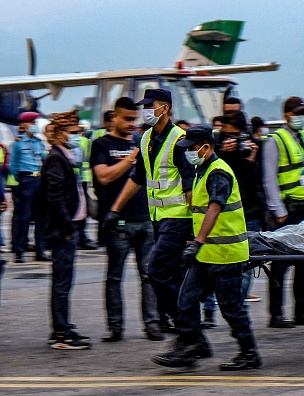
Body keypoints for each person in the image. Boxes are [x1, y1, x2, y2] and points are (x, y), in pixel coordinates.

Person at [153, 125, 262, 370]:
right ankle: (190, 345)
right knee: (186, 300)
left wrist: (197, 241)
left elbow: (215, 207)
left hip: (225, 253)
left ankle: (249, 353)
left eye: (191, 148)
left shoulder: (218, 172)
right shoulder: (201, 170)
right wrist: (195, 242)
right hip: (206, 253)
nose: (188, 152)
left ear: (206, 146)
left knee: (231, 308)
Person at [107, 89, 195, 333]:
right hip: (158, 219)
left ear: (165, 108)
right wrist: (115, 210)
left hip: (178, 219)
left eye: (150, 106)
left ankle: (187, 329)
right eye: (144, 106)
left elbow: (190, 185)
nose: (145, 111)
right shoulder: (146, 139)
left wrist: (197, 227)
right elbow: (138, 177)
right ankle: (187, 332)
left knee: (156, 271)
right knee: (172, 277)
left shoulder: (180, 139)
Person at [91, 97, 162, 342]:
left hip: (145, 218)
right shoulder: (101, 145)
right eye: (128, 119)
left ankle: (152, 324)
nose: (133, 124)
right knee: (114, 276)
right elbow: (104, 177)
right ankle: (115, 327)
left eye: (135, 119)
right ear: (115, 117)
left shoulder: (142, 142)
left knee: (148, 275)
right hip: (117, 221)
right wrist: (133, 157)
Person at [262, 96, 304, 328]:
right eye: (298, 113)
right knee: (280, 264)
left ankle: (302, 311)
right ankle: (276, 315)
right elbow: (269, 179)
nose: (303, 117)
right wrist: (279, 211)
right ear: (287, 115)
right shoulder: (275, 140)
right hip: (288, 210)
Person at [41, 110, 91, 350]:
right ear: (60, 134)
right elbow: (54, 194)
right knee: (62, 283)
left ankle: (63, 326)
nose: (75, 136)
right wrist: (66, 225)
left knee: (64, 281)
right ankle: (60, 333)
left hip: (69, 226)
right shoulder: (55, 158)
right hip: (63, 230)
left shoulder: (63, 155)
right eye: (72, 132)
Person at [217, 110, 263, 304]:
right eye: (228, 134)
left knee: (246, 264)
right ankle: (224, 301)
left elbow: (259, 181)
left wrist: (252, 158)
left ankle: (238, 305)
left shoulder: (252, 145)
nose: (232, 139)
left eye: (235, 135)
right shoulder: (217, 145)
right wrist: (222, 153)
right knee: (220, 261)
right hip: (224, 212)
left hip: (249, 211)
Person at [9, 111, 49, 263]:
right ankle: (20, 250)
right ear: (24, 125)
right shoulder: (18, 144)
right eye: (32, 123)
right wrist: (22, 179)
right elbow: (13, 165)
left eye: (35, 123)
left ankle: (40, 250)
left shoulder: (39, 143)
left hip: (39, 180)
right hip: (26, 180)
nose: (34, 126)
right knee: (23, 217)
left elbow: (45, 159)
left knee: (40, 218)